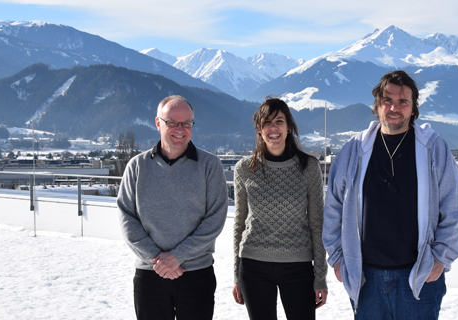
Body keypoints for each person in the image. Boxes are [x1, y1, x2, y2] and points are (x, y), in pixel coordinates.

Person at [322, 70, 458, 319]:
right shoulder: (353, 150)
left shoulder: (433, 148)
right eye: (387, 100)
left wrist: (440, 259)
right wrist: (337, 258)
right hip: (365, 278)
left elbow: (455, 208)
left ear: (413, 108)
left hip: (418, 277)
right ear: (377, 105)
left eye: (403, 102)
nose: (394, 107)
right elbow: (333, 207)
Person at [117, 95, 228, 320]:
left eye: (187, 123)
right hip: (150, 274)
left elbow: (215, 219)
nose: (180, 129)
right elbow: (126, 217)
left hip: (196, 274)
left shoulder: (210, 165)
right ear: (158, 123)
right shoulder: (137, 166)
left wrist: (177, 256)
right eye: (172, 122)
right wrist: (159, 259)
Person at [231, 97, 328, 319]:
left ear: (289, 127)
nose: (273, 128)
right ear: (259, 129)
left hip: (298, 266)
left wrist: (320, 276)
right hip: (253, 266)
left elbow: (317, 223)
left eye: (279, 121)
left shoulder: (308, 167)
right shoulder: (244, 169)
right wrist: (236, 275)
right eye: (267, 122)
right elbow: (239, 224)